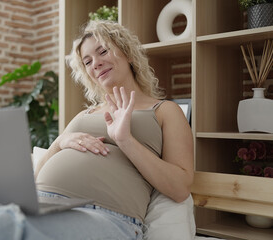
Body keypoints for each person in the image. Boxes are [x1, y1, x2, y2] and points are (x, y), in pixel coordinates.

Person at [30, 20, 194, 239]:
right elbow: (36, 174)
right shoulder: (83, 116)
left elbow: (180, 188)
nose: (95, 64)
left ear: (127, 54)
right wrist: (60, 143)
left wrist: (126, 140)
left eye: (103, 51)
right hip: (38, 203)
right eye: (87, 62)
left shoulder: (165, 111)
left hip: (99, 215)